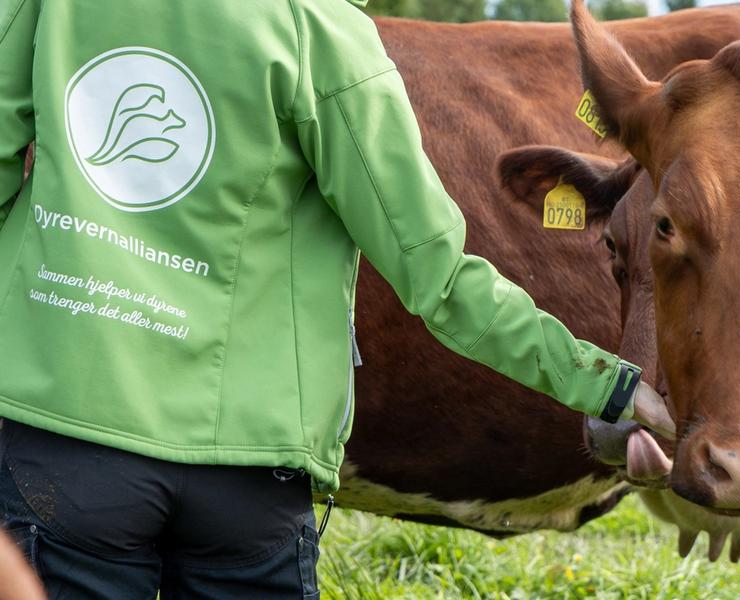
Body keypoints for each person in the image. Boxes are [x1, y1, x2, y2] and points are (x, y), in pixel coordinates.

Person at [0, 0, 674, 597]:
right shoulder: (320, 30)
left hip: (60, 442)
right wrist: (611, 386)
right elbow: (440, 280)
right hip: (246, 466)